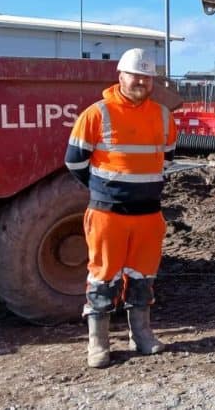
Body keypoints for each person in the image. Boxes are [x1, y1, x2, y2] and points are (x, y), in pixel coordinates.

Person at [65, 48, 176, 368]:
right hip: (107, 214)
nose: (140, 81)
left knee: (143, 275)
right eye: (135, 75)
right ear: (120, 76)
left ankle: (141, 334)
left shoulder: (163, 116)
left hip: (148, 214)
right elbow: (74, 162)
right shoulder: (97, 114)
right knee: (103, 275)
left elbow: (165, 159)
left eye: (146, 76)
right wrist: (106, 189)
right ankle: (98, 343)